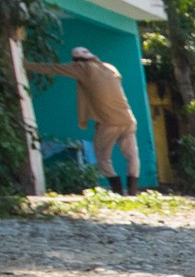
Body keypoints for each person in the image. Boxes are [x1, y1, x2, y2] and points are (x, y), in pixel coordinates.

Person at [27, 47, 140, 194]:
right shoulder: (110, 68)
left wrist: (27, 65)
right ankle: (133, 192)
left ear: (76, 60)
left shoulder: (83, 68)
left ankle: (117, 191)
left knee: (102, 158)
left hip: (109, 122)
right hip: (128, 119)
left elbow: (54, 68)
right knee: (132, 156)